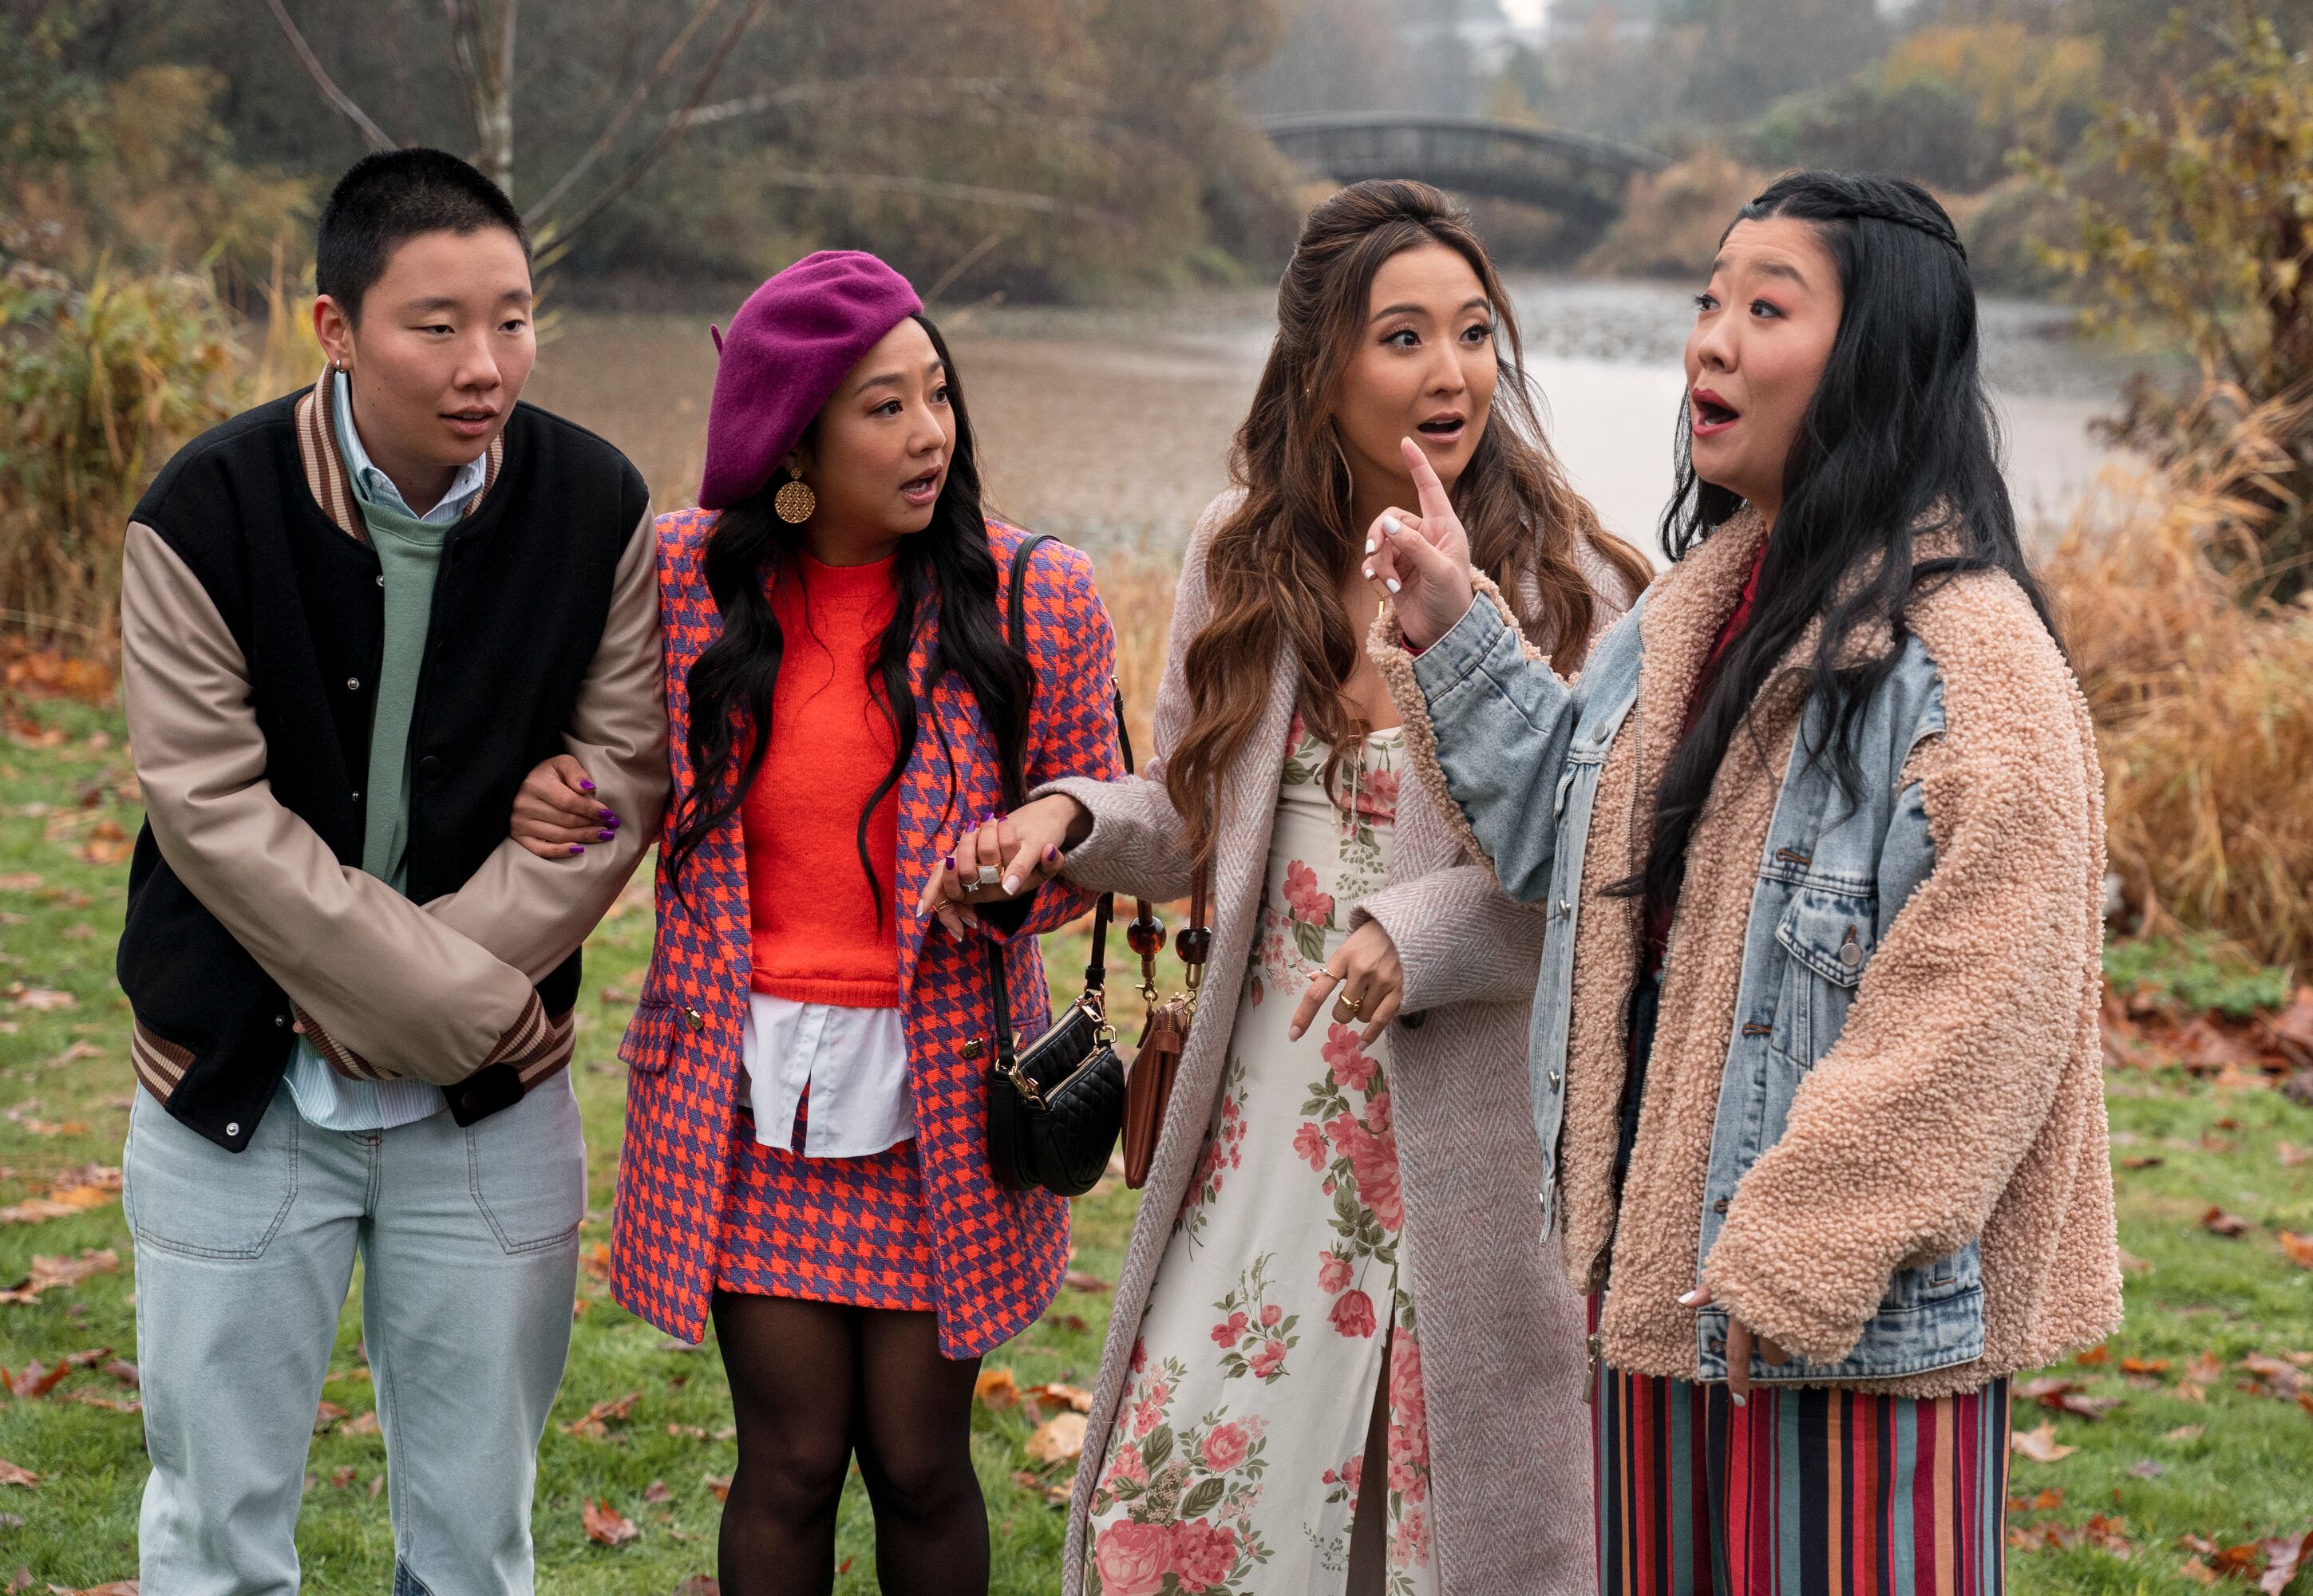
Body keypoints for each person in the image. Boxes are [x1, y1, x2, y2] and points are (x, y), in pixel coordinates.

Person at [1365, 172, 2121, 1595]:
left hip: (1841, 1326)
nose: (1708, 338)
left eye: (1764, 307)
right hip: (1664, 1297)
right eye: (1709, 298)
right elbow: (1566, 848)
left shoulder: (1970, 656)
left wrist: (1803, 1245)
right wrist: (1458, 629)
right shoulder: (1696, 612)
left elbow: (1986, 1005)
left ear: (1877, 359)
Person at [957, 181, 1650, 1595]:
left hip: (1468, 1123)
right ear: (1321, 363)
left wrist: (1424, 930)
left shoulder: (1570, 578)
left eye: (1471, 333)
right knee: (1185, 1479)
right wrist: (1069, 819)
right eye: (1403, 337)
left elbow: (1606, 866)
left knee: (1436, 1519)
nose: (1449, 371)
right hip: (1262, 1107)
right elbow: (1198, 818)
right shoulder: (1243, 552)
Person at [508, 250, 1121, 1595]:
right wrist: (556, 786)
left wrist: (1030, 861)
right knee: (786, 1461)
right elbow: (611, 754)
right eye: (883, 408)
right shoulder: (684, 577)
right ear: (795, 439)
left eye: (938, 395)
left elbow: (1096, 837)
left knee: (916, 1461)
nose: (930, 435)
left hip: (949, 1090)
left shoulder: (1035, 593)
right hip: (747, 1093)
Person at [114, 148, 665, 1594]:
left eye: (516, 317)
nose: (486, 364)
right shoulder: (203, 511)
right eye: (438, 325)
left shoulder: (599, 504)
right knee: (215, 1538)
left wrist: (418, 1011)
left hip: (486, 1110)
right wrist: (446, 994)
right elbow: (209, 807)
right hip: (236, 1087)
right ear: (336, 330)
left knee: (477, 1547)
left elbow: (623, 777)